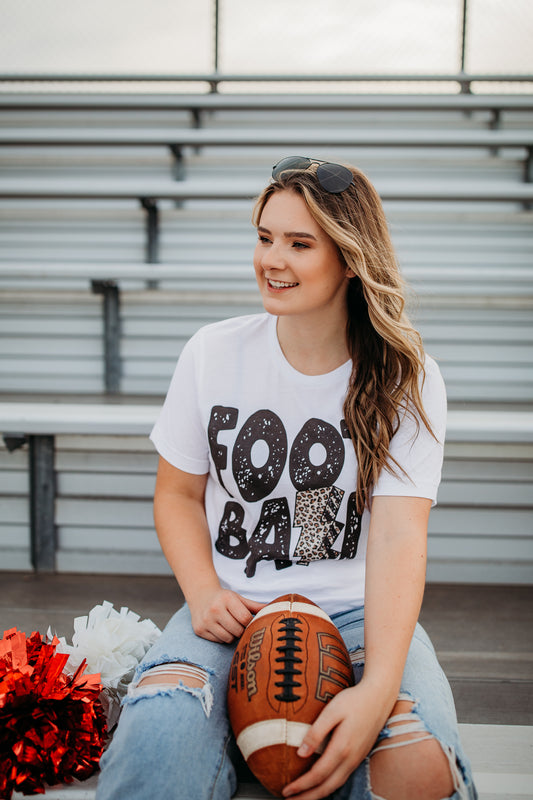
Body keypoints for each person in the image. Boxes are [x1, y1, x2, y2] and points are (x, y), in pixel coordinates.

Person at [96, 156, 477, 800]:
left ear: (350, 259)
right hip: (232, 610)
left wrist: (378, 688)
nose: (272, 258)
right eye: (265, 236)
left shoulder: (406, 377)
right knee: (154, 747)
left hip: (360, 616)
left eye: (300, 244)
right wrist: (202, 592)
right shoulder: (212, 352)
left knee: (415, 771)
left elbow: (397, 538)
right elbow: (177, 494)